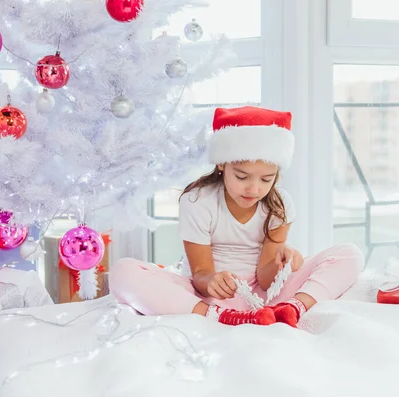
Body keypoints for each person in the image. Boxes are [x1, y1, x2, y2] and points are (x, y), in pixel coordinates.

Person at [110, 106, 364, 328]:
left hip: (266, 298)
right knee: (123, 272)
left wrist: (280, 263)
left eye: (266, 179)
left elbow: (265, 283)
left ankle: (294, 308)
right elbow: (200, 276)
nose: (254, 189)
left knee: (349, 254)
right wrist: (212, 282)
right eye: (242, 177)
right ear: (222, 164)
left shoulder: (280, 205)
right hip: (208, 296)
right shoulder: (198, 201)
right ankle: (218, 316)